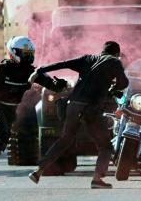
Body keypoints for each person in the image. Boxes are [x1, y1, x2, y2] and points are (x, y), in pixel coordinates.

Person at [0, 36, 66, 189]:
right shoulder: (2, 69)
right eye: (24, 53)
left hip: (11, 110)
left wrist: (60, 84)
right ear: (13, 53)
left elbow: (53, 85)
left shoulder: (32, 72)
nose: (27, 56)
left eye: (29, 53)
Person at [28, 41, 129, 189]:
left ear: (102, 51)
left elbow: (62, 64)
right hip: (91, 108)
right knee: (105, 146)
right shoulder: (114, 62)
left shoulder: (87, 58)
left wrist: (40, 70)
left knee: (65, 140)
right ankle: (97, 179)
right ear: (116, 54)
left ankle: (38, 171)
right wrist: (113, 88)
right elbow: (124, 83)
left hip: (73, 105)